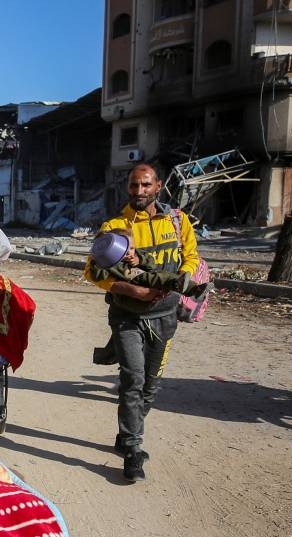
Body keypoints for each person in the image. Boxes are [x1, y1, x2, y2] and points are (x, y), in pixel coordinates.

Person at [84, 164, 199, 483]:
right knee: (133, 380)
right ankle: (133, 449)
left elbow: (191, 257)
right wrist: (131, 289)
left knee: (151, 385)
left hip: (165, 318)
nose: (138, 191)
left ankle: (127, 434)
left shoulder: (177, 221)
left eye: (145, 185)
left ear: (158, 186)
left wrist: (182, 280)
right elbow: (93, 272)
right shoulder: (114, 225)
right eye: (133, 186)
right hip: (128, 318)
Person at [89, 229, 210, 303]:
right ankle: (188, 288)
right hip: (137, 283)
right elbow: (98, 276)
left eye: (131, 248)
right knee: (164, 278)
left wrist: (139, 260)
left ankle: (194, 289)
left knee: (166, 276)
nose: (129, 253)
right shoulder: (112, 263)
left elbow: (151, 263)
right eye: (124, 250)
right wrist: (99, 260)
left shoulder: (137, 254)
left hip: (149, 277)